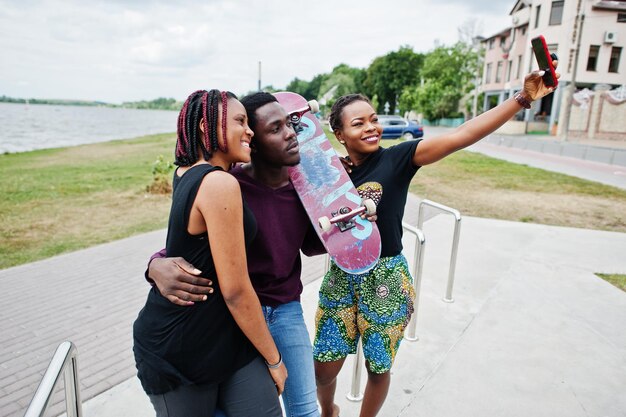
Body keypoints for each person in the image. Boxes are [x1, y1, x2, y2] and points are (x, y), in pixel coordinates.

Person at [313, 65, 560, 417]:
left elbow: (461, 135)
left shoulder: (398, 158)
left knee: (378, 368)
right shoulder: (332, 175)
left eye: (373, 119)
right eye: (358, 124)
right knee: (323, 368)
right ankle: (328, 411)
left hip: (386, 279)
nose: (371, 128)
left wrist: (521, 99)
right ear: (339, 134)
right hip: (342, 277)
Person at [146, 92, 332, 417]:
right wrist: (154, 264)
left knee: (304, 408)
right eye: (274, 129)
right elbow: (191, 244)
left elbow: (310, 244)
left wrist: (345, 223)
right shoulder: (227, 182)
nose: (291, 133)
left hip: (282, 309)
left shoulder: (302, 188)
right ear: (255, 144)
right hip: (238, 314)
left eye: (290, 124)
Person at [133, 89, 286, 417]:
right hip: (182, 348)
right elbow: (235, 290)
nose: (249, 131)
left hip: (227, 339)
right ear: (205, 127)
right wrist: (274, 359)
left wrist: (154, 263)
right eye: (240, 121)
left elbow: (187, 248)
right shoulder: (219, 184)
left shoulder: (186, 173)